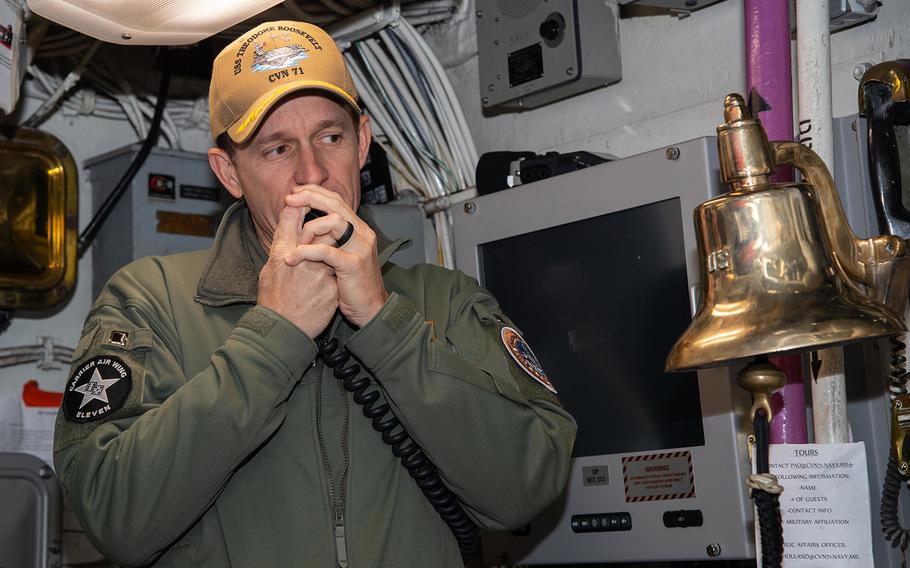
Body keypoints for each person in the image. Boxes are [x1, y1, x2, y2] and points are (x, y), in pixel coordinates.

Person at [54, 20, 576, 567]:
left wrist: (385, 324)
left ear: (363, 142)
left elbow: (528, 486)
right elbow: (113, 514)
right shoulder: (151, 299)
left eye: (331, 137)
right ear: (228, 172)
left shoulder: (445, 300)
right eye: (277, 149)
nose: (315, 173)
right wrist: (270, 340)